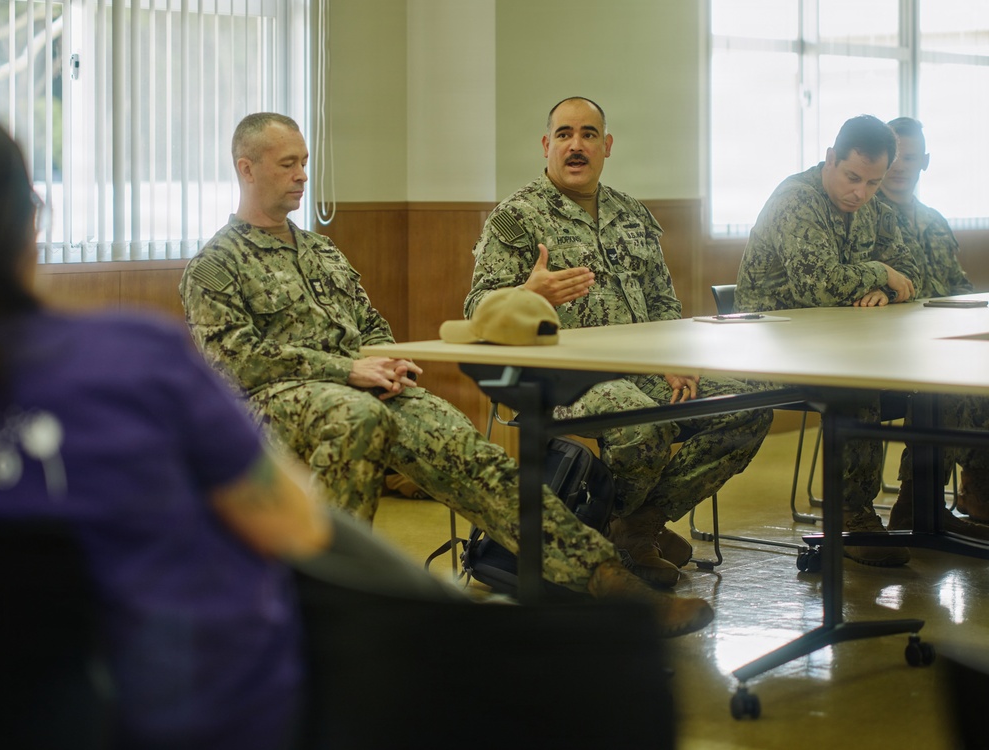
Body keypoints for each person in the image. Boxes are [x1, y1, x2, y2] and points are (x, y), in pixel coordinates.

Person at [0, 118, 472, 748]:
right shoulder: (135, 356)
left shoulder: (307, 260)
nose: (300, 175)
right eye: (287, 162)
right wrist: (445, 626)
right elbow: (299, 527)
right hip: (197, 706)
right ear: (28, 224)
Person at [178, 111, 714, 637]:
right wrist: (348, 369)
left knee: (476, 457)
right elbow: (234, 361)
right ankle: (336, 611)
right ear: (247, 168)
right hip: (275, 401)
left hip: (364, 387)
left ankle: (610, 582)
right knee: (358, 419)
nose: (302, 175)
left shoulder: (321, 251)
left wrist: (392, 360)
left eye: (304, 162)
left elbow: (370, 324)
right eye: (287, 164)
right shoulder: (216, 265)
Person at [465, 97, 773, 586]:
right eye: (564, 134)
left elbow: (663, 303)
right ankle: (621, 536)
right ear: (546, 145)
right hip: (563, 376)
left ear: (606, 146)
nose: (576, 145)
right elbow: (476, 311)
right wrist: (527, 294)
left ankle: (635, 525)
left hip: (643, 366)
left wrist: (673, 356)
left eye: (588, 134)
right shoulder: (516, 218)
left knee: (749, 405)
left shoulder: (631, 214)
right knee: (640, 426)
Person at [734, 114, 921, 566]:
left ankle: (922, 504)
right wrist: (879, 273)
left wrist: (887, 288)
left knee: (929, 382)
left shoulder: (871, 205)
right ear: (831, 158)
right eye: (853, 177)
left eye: (874, 182)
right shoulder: (798, 199)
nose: (861, 193)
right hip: (772, 343)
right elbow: (818, 287)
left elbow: (912, 269)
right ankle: (852, 516)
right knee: (857, 382)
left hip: (836, 339)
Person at [877, 117, 989, 534]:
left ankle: (977, 490)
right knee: (948, 380)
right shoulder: (865, 220)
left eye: (910, 158)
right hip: (885, 350)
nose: (900, 167)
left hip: (944, 342)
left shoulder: (934, 221)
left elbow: (960, 288)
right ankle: (916, 501)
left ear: (925, 162)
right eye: (894, 157)